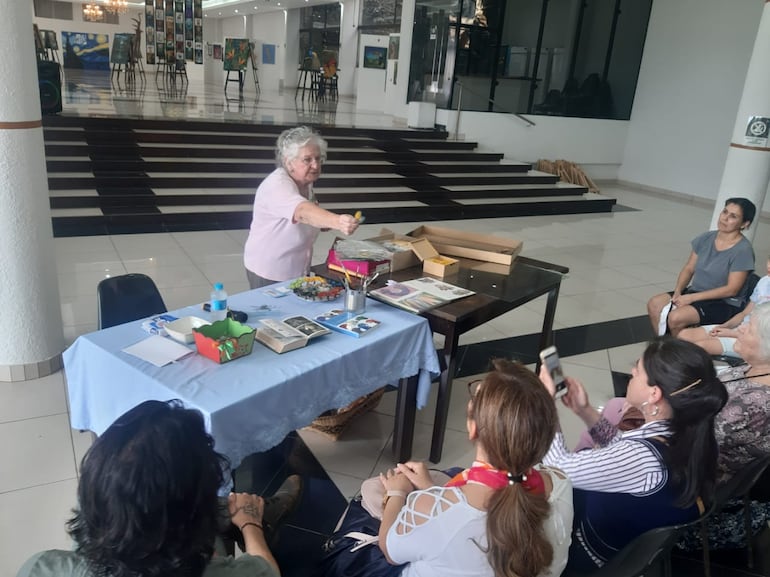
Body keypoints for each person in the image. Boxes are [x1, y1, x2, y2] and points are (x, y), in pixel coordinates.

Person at [326, 359, 573, 577]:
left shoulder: (433, 511)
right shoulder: (561, 483)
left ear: (473, 428)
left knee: (368, 498)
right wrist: (433, 490)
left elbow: (389, 550)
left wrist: (398, 493)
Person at [16, 400, 300, 577]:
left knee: (141, 497)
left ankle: (231, 510)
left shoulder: (39, 567)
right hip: (187, 548)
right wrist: (251, 524)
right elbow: (266, 570)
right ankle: (256, 513)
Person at [539, 337, 728, 571]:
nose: (630, 372)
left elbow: (557, 468)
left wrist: (544, 404)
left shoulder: (644, 460)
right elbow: (623, 453)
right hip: (628, 543)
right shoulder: (692, 429)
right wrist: (584, 410)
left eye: (637, 370)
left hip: (586, 555)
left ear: (654, 394)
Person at [243, 126, 360, 289]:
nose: (315, 165)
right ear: (288, 162)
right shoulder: (277, 185)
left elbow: (310, 213)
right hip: (271, 271)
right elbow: (302, 212)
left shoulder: (305, 183)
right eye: (307, 160)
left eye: (318, 159)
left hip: (297, 267)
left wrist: (324, 223)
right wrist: (337, 221)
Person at [647, 197, 755, 337]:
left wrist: (692, 298)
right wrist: (678, 292)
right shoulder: (706, 238)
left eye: (733, 216)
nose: (725, 218)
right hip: (697, 292)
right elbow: (689, 268)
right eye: (725, 212)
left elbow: (731, 290)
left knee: (676, 318)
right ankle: (665, 347)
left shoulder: (743, 250)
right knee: (654, 304)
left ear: (744, 224)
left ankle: (680, 355)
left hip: (724, 302)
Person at [679, 256, 770, 357]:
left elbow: (765, 338)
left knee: (700, 347)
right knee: (684, 336)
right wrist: (725, 326)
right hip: (742, 329)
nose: (769, 266)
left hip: (759, 343)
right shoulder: (764, 281)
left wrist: (732, 334)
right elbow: (745, 313)